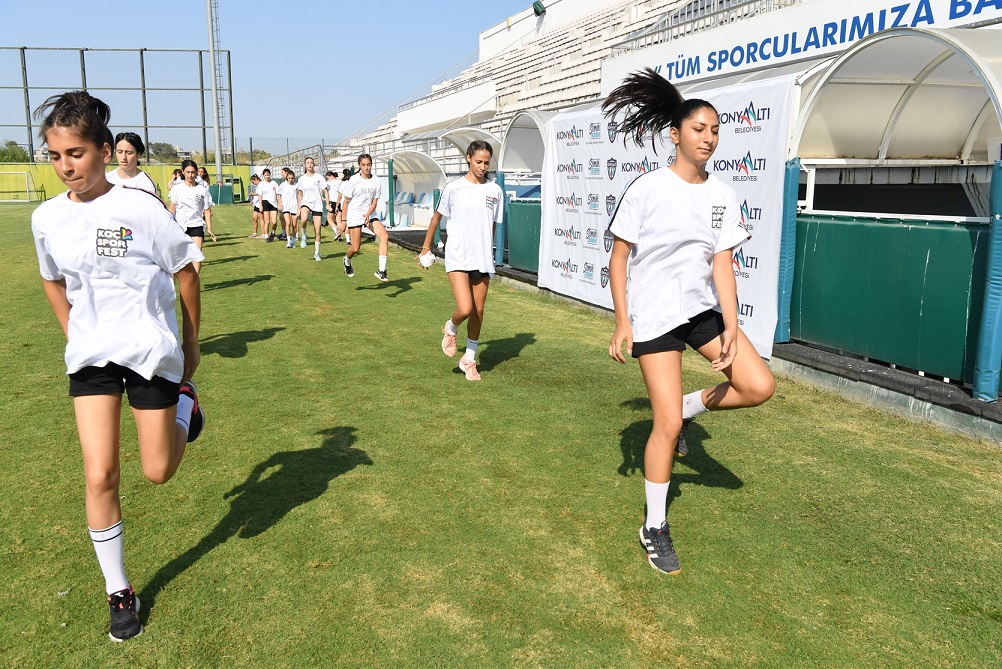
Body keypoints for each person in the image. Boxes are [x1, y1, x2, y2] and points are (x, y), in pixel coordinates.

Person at [30, 91, 205, 642]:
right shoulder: (47, 217)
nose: (65, 166)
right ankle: (119, 591)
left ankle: (185, 406)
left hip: (149, 351)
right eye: (55, 156)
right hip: (91, 358)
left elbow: (185, 270)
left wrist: (191, 345)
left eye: (75, 153)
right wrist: (73, 332)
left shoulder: (142, 208)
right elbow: (52, 279)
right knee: (99, 473)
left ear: (104, 152)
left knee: (158, 471)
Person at [604, 69, 775, 575]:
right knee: (666, 426)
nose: (709, 138)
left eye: (715, 130)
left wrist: (732, 325)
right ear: (674, 134)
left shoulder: (722, 194)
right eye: (699, 129)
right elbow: (619, 258)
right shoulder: (646, 188)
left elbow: (722, 264)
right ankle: (654, 526)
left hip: (702, 312)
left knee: (758, 386)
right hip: (655, 316)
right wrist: (622, 321)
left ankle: (686, 406)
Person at [418, 140, 503, 381]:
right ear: (468, 158)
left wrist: (488, 251)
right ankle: (451, 327)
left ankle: (469, 359)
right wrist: (426, 249)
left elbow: (492, 225)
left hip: (482, 258)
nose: (483, 167)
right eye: (478, 162)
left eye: (486, 163)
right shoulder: (453, 188)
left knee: (479, 311)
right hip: (457, 255)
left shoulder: (495, 191)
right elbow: (435, 220)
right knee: (465, 308)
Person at [337, 154, 388, 281]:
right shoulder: (353, 180)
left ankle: (381, 271)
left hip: (370, 214)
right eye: (363, 165)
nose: (366, 167)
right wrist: (343, 221)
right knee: (355, 248)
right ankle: (347, 261)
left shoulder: (376, 180)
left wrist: (368, 214)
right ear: (359, 165)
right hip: (354, 215)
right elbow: (346, 201)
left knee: (384, 236)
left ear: (371, 165)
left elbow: (375, 201)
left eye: (368, 164)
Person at [168, 159, 216, 270]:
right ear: (183, 172)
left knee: (196, 256)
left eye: (193, 172)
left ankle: (195, 280)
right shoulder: (177, 189)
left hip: (197, 224)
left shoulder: (202, 190)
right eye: (188, 172)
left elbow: (207, 210)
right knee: (179, 258)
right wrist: (169, 226)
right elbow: (172, 209)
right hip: (180, 226)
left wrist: (210, 229)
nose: (190, 175)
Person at [105, 132, 158, 197]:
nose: (123, 157)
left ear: (138, 154)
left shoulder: (146, 183)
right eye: (120, 152)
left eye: (129, 153)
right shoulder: (106, 179)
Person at [297, 156, 328, 261]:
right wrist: (299, 207)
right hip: (306, 202)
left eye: (311, 162)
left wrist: (327, 204)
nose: (310, 164)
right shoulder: (301, 179)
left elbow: (325, 190)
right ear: (305, 165)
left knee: (318, 230)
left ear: (314, 164)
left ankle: (317, 253)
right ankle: (304, 236)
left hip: (317, 204)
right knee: (304, 219)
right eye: (308, 163)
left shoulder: (319, 177)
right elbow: (300, 194)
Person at [276, 168, 299, 246]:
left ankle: (293, 241)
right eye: (289, 178)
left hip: (294, 206)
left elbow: (300, 194)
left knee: (294, 224)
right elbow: (278, 194)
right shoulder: (283, 185)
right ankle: (288, 240)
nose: (290, 180)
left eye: (292, 178)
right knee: (288, 222)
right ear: (287, 178)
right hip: (286, 207)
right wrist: (280, 203)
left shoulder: (297, 185)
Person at [258, 168, 280, 240]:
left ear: (270, 175)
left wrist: (279, 203)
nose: (267, 176)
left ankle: (273, 232)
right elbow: (260, 195)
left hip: (274, 203)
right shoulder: (261, 184)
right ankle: (266, 236)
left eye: (268, 175)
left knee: (274, 222)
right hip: (265, 202)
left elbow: (277, 194)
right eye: (265, 175)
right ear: (263, 175)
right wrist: (260, 205)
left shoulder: (274, 183)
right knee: (267, 221)